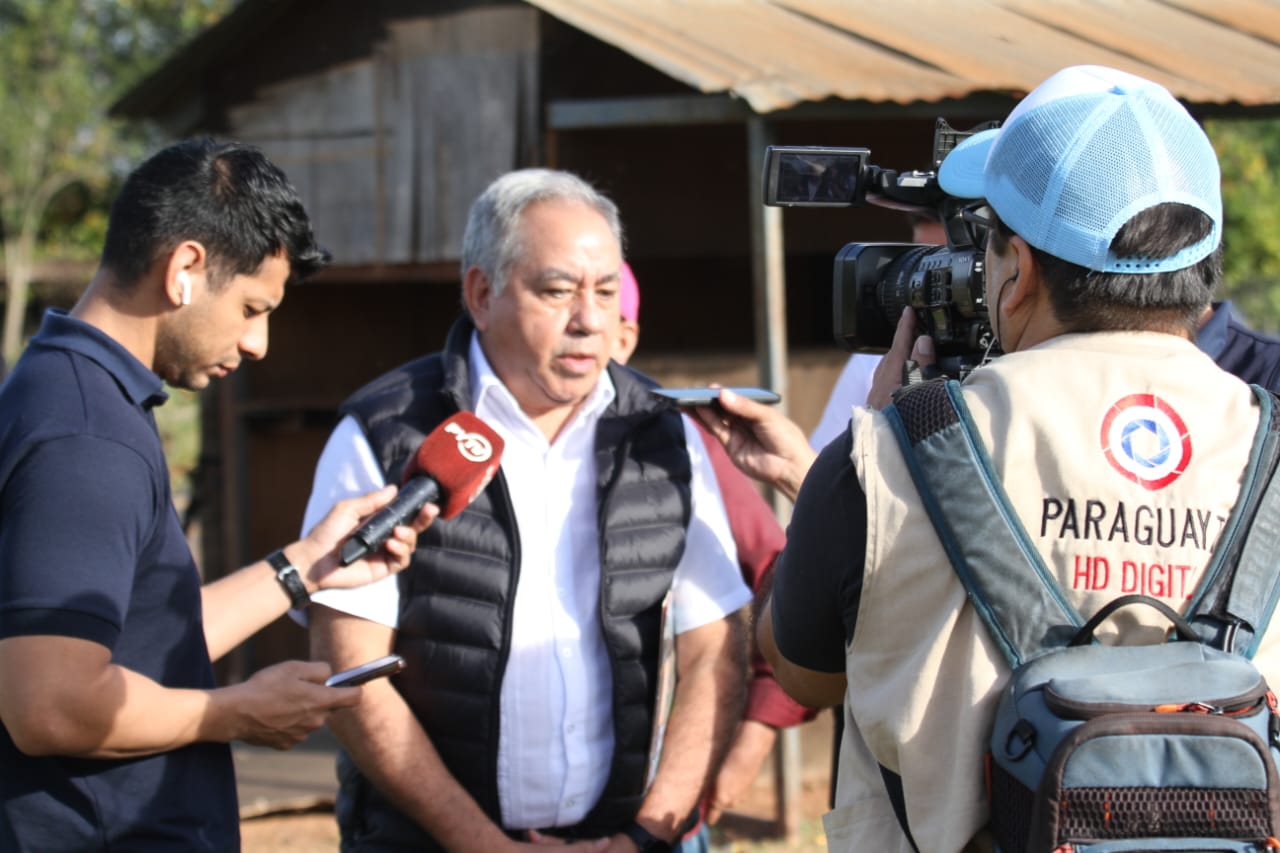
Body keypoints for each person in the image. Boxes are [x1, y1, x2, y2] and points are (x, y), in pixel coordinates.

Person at [691, 65, 1277, 852]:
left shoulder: (890, 453)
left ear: (1020, 267)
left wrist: (865, 445)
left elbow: (803, 672)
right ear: (1200, 268)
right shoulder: (1267, 447)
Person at [0, 138, 436, 851]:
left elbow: (141, 644)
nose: (259, 341)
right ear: (185, 269)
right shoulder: (87, 436)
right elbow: (49, 703)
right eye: (252, 307)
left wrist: (308, 564)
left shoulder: (77, 396)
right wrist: (232, 710)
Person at [303, 168, 751, 852]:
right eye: (557, 290)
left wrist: (642, 839)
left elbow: (717, 649)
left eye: (605, 291)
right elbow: (350, 671)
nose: (590, 319)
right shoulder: (386, 433)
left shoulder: (665, 434)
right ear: (481, 294)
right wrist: (483, 845)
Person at [611, 261, 817, 827]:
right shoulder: (474, 442)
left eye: (600, 297)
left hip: (659, 806)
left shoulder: (675, 445)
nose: (575, 324)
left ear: (624, 336)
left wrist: (751, 738)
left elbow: (787, 582)